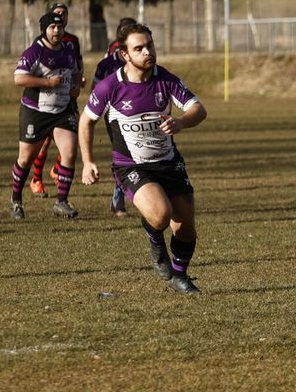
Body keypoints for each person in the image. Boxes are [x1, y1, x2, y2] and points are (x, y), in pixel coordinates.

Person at [79, 23, 207, 294]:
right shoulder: (110, 86)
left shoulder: (166, 79)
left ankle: (180, 276)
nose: (147, 52)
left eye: (149, 45)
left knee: (185, 227)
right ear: (124, 54)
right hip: (131, 166)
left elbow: (198, 109)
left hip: (169, 161)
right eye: (139, 48)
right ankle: (155, 243)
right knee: (161, 215)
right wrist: (88, 162)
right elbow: (86, 121)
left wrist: (181, 122)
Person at [9, 12, 82, 220]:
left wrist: (76, 86)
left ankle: (61, 201)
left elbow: (77, 72)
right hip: (36, 112)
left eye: (59, 27)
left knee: (69, 152)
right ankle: (16, 200)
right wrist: (48, 83)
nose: (57, 31)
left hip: (62, 110)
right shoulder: (34, 51)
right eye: (52, 27)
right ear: (44, 30)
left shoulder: (69, 50)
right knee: (25, 159)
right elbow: (19, 79)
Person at [28, 2, 84, 199]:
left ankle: (57, 170)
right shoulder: (40, 41)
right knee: (44, 142)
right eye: (57, 13)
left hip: (67, 98)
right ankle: (36, 179)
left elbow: (78, 65)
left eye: (64, 13)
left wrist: (77, 84)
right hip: (46, 101)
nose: (61, 16)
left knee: (72, 137)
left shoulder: (73, 40)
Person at [91, 17, 137, 217]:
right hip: (114, 117)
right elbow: (95, 91)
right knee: (125, 154)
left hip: (139, 115)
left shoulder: (141, 61)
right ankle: (119, 198)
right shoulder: (106, 65)